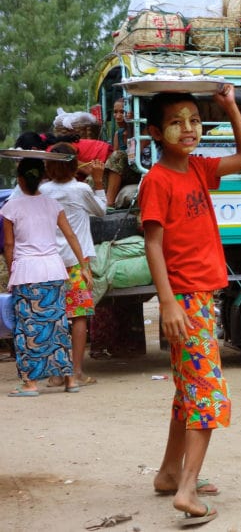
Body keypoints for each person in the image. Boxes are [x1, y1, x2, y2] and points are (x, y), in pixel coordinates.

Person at [140, 85, 241, 525]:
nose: (188, 129)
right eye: (176, 122)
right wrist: (169, 303)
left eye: (194, 120)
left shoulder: (197, 169)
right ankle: (187, 491)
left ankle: (170, 475)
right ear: (155, 131)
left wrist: (228, 107)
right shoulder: (158, 179)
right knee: (207, 395)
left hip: (199, 298)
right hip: (185, 300)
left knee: (186, 394)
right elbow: (154, 244)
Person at [3, 157, 91, 396]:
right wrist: (83, 265)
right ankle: (70, 380)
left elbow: (9, 245)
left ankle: (30, 384)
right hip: (54, 270)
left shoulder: (11, 207)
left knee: (28, 328)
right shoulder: (52, 204)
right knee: (58, 325)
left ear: (20, 180)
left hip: (26, 273)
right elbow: (71, 236)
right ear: (42, 178)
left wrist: (12, 270)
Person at [41, 142, 106, 387]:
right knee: (78, 317)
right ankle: (76, 372)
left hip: (48, 263)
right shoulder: (80, 189)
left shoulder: (42, 191)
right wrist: (98, 182)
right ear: (75, 165)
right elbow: (101, 211)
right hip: (77, 263)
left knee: (53, 316)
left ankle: (56, 374)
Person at [104, 98, 143, 208]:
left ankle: (109, 204)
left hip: (138, 171)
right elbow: (113, 161)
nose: (117, 116)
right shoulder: (118, 134)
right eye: (115, 112)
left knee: (118, 156)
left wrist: (131, 125)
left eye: (122, 112)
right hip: (124, 173)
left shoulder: (142, 131)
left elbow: (134, 153)